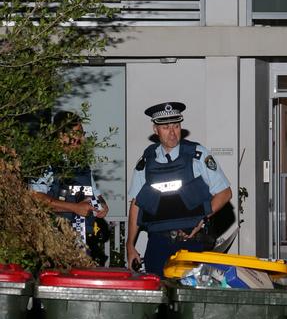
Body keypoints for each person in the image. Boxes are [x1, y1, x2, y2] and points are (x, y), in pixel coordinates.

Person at [126, 101, 232, 276]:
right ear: (155, 130)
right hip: (158, 243)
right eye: (166, 127)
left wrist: (203, 219)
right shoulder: (146, 161)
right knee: (158, 297)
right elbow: (137, 204)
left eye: (176, 126)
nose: (172, 132)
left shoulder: (197, 155)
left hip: (192, 242)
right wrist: (130, 246)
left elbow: (225, 193)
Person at [29, 110, 110, 264]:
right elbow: (36, 197)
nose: (78, 138)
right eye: (73, 133)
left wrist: (102, 204)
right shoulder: (45, 163)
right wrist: (74, 207)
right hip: (54, 240)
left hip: (83, 242)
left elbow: (94, 193)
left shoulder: (82, 165)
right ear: (59, 135)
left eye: (80, 133)